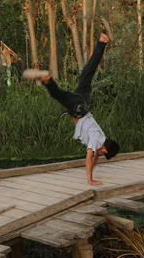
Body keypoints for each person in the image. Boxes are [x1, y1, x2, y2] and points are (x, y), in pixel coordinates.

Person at [24, 32, 120, 186]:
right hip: (79, 108)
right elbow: (90, 156)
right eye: (103, 154)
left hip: (83, 103)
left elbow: (94, 156)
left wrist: (94, 167)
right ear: (105, 150)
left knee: (88, 74)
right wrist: (90, 180)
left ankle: (102, 41)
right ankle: (47, 79)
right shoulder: (96, 139)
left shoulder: (101, 139)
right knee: (59, 95)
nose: (99, 155)